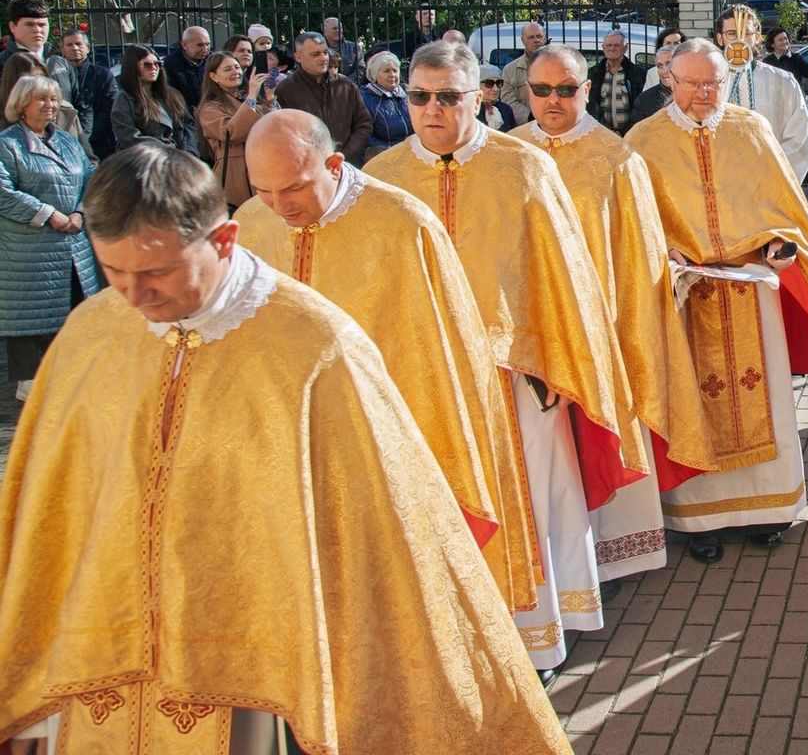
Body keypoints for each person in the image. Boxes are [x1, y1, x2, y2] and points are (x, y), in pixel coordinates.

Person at [0, 144, 571, 754]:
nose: (135, 298)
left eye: (157, 273)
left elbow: (387, 524)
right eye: (114, 273)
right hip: (110, 636)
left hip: (267, 641)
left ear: (223, 241)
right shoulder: (93, 330)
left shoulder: (316, 344)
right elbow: (49, 500)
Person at [364, 40, 643, 675]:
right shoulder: (379, 180)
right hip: (420, 379)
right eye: (418, 97)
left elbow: (564, 282)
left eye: (448, 97)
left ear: (477, 97)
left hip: (518, 377)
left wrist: (559, 366)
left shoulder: (522, 168)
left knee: (531, 502)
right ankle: (447, 635)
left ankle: (535, 634)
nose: (432, 110)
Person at [234, 111, 533, 614]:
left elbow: (447, 353)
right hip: (293, 438)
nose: (279, 206)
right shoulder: (250, 226)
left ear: (333, 164)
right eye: (264, 191)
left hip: (392, 435)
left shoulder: (402, 223)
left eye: (293, 189)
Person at [629, 39, 808, 561]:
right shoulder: (643, 142)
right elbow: (633, 225)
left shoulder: (751, 129)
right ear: (670, 80)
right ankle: (701, 521)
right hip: (688, 295)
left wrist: (780, 245)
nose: (703, 94)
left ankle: (769, 510)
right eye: (691, 83)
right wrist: (664, 256)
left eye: (713, 82)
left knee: (767, 400)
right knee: (697, 402)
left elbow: (786, 210)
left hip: (753, 290)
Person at [520, 44, 721, 586]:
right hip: (530, 331)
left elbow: (641, 252)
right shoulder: (507, 156)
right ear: (527, 92)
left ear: (587, 89)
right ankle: (558, 564)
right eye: (542, 90)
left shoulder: (617, 158)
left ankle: (617, 548)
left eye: (566, 89)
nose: (554, 100)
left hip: (603, 327)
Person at [0, 74, 99, 405]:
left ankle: (69, 371)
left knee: (73, 306)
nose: (51, 106)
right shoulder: (8, 144)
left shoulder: (68, 141)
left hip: (72, 241)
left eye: (54, 99)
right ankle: (28, 380)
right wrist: (48, 214)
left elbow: (89, 177)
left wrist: (81, 213)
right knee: (29, 315)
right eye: (42, 99)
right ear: (21, 104)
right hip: (29, 246)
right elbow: (3, 191)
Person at [713, 6, 808, 181]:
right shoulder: (704, 83)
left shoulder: (783, 81)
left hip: (768, 181)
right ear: (720, 38)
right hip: (720, 184)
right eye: (731, 33)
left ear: (757, 37)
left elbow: (800, 135)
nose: (739, 40)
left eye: (746, 33)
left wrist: (770, 171)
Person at [274, 29, 373, 165]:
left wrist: (344, 155)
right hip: (307, 168)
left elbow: (364, 124)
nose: (323, 58)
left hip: (347, 166)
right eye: (315, 54)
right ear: (298, 57)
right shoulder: (285, 90)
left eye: (325, 52)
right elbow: (284, 136)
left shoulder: (345, 86)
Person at [194, 51, 271, 210]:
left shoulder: (247, 100)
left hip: (260, 167)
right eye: (228, 69)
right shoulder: (209, 108)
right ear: (214, 77)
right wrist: (251, 96)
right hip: (234, 173)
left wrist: (270, 101)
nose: (235, 72)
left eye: (237, 67)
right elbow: (231, 133)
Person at [111, 42, 198, 154]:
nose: (154, 67)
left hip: (180, 160)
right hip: (145, 161)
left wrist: (190, 152)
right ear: (133, 66)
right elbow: (128, 136)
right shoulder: (124, 98)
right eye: (147, 64)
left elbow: (189, 126)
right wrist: (167, 151)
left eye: (158, 64)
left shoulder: (172, 94)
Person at [1, 54, 87, 161]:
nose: (38, 83)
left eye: (42, 77)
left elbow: (89, 160)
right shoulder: (5, 134)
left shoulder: (66, 111)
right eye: (30, 79)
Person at [58, 28, 116, 159]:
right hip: (65, 143)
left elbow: (110, 108)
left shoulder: (103, 75)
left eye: (79, 44)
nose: (75, 48)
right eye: (69, 45)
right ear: (62, 50)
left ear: (88, 48)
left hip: (100, 145)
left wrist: (86, 137)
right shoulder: (57, 75)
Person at [4, 0, 74, 104]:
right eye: (30, 25)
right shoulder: (3, 62)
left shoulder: (59, 62)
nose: (37, 30)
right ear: (13, 27)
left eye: (42, 25)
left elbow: (81, 104)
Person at [587, 31, 645, 134]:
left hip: (630, 135)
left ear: (625, 48)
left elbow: (641, 108)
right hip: (600, 134)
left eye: (617, 45)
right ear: (603, 48)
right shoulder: (593, 74)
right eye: (608, 45)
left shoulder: (638, 74)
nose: (612, 48)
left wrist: (623, 132)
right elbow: (590, 107)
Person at [361, 49, 412, 155]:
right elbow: (365, 135)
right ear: (375, 75)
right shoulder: (365, 99)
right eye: (386, 71)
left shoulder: (407, 94)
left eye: (395, 70)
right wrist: (392, 151)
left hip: (412, 153)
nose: (392, 74)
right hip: (384, 156)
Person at [499, 20, 548, 119]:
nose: (536, 40)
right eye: (531, 37)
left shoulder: (558, 66)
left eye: (539, 36)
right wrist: (532, 119)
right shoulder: (510, 70)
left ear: (545, 38)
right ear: (522, 40)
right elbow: (508, 102)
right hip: (523, 128)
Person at [162, 25, 211, 111]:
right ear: (184, 45)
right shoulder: (170, 65)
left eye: (208, 44)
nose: (205, 49)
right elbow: (171, 97)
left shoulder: (212, 60)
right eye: (200, 45)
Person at [630, 46, 676, 125]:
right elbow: (636, 134)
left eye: (669, 64)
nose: (664, 71)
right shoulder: (643, 100)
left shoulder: (696, 94)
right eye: (660, 66)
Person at [321, 16, 364, 84]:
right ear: (325, 31)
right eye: (335, 28)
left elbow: (361, 69)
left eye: (340, 28)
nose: (339, 31)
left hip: (349, 88)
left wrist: (345, 84)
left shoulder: (353, 47)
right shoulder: (318, 48)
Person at [477, 63, 516, 130]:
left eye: (498, 83)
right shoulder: (471, 110)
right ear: (477, 85)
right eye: (489, 83)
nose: (496, 89)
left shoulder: (506, 109)